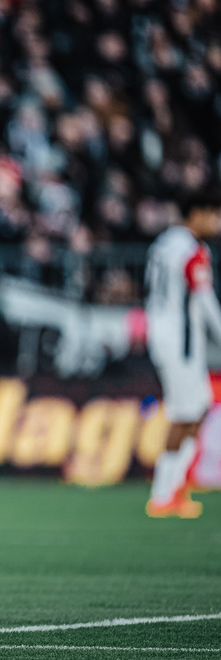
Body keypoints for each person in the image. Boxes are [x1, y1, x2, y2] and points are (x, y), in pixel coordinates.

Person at [144, 188, 221, 519]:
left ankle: (174, 487)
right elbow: (203, 300)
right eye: (214, 214)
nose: (217, 222)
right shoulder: (192, 249)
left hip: (164, 335)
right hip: (181, 342)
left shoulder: (161, 245)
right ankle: (163, 494)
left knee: (198, 408)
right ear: (198, 213)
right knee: (184, 414)